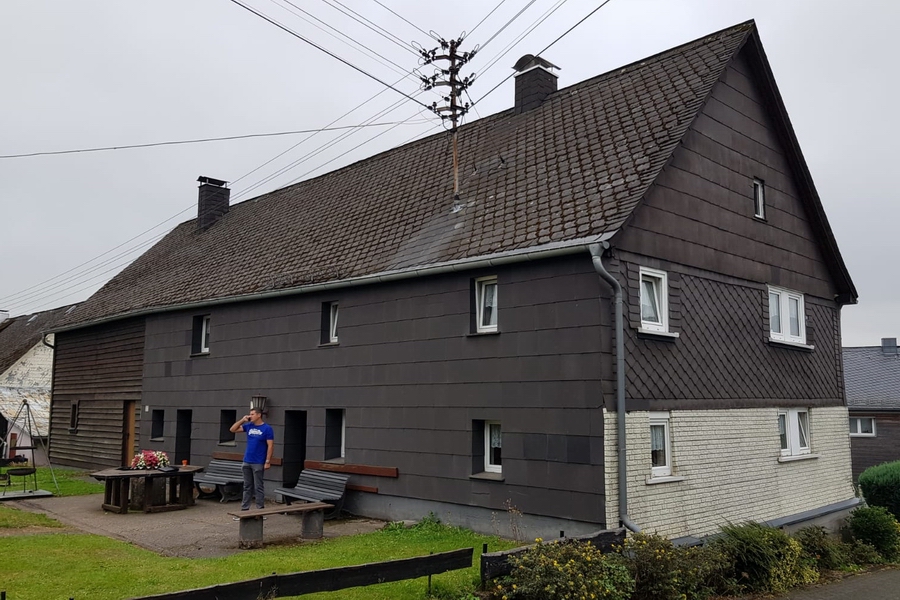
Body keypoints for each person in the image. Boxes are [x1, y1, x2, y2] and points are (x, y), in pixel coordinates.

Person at [229, 408, 274, 513]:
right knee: (247, 486)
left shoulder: (267, 428)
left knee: (258, 487)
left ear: (259, 415)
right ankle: (244, 509)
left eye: (252, 414)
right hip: (247, 460)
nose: (250, 416)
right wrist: (242, 420)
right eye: (250, 414)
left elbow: (270, 446)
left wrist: (267, 461)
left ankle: (260, 510)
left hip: (258, 461)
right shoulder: (249, 426)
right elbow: (232, 429)